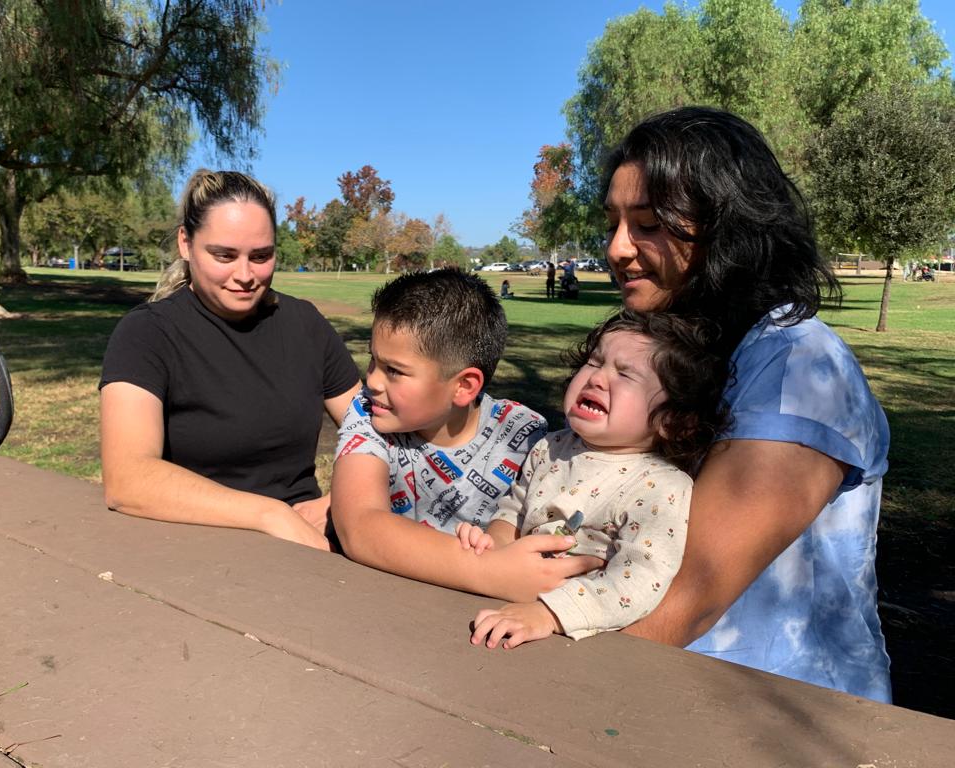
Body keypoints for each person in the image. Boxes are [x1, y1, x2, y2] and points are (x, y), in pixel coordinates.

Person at [593, 106, 891, 702]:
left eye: (648, 223)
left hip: (780, 715)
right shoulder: (677, 349)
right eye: (614, 222)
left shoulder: (795, 363)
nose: (617, 248)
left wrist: (545, 688)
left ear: (727, 224)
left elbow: (691, 596)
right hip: (674, 696)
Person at [99, 169, 361, 551]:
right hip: (194, 544)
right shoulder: (148, 334)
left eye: (261, 256)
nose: (245, 275)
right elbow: (128, 480)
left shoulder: (305, 324)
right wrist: (270, 514)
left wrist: (340, 503)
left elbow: (375, 435)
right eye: (224, 255)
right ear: (186, 245)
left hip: (309, 544)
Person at [459, 311, 729, 649]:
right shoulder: (551, 447)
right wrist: (494, 547)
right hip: (508, 607)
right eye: (594, 361)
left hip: (577, 637)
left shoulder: (660, 486)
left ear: (672, 421)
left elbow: (640, 580)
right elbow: (514, 509)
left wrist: (550, 615)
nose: (597, 378)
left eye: (625, 374)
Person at [333, 269, 601, 592]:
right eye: (373, 360)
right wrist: (489, 571)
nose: (373, 381)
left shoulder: (522, 433)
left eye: (394, 371)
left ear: (464, 386)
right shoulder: (368, 414)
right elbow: (360, 528)